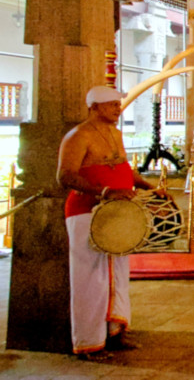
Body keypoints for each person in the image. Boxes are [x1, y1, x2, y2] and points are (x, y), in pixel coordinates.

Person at [57, 86, 156, 360]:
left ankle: (115, 334)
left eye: (118, 104)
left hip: (117, 215)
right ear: (95, 107)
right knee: (90, 278)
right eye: (111, 104)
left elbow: (123, 167)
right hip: (87, 213)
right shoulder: (78, 136)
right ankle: (88, 342)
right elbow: (64, 176)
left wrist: (148, 186)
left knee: (117, 276)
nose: (118, 108)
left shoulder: (115, 134)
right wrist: (104, 192)